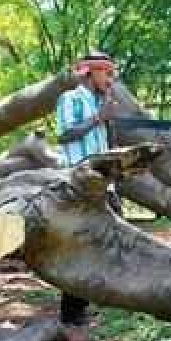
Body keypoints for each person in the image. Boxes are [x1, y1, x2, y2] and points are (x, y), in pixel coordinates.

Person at [55, 51, 120, 325]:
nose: (110, 79)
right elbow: (65, 134)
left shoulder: (99, 103)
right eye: (107, 73)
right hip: (80, 183)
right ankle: (72, 312)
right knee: (79, 244)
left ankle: (107, 296)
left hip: (104, 183)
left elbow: (103, 147)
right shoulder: (70, 99)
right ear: (90, 72)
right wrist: (98, 118)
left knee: (112, 238)